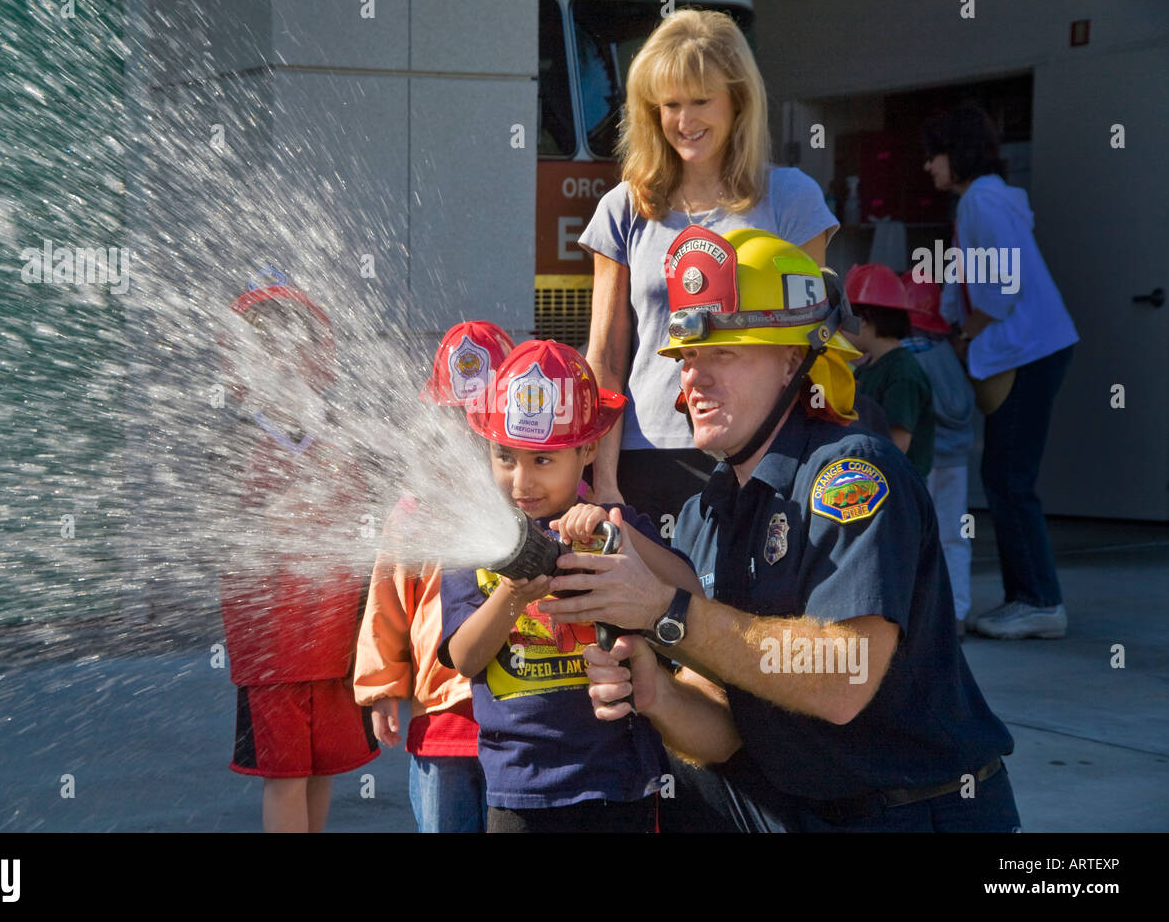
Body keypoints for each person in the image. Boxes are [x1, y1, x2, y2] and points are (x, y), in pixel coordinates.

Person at [542, 228, 1021, 832]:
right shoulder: (707, 512)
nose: (694, 379)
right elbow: (720, 730)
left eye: (725, 353)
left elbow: (843, 679)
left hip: (916, 814)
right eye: (689, 356)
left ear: (794, 359)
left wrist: (667, 610)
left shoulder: (850, 475)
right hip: (803, 810)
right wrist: (658, 695)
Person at [579, 8, 838, 529]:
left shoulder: (791, 200)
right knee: (644, 612)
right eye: (669, 104)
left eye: (701, 100)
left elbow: (809, 346)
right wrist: (604, 484)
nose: (684, 120)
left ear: (738, 101)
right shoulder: (622, 209)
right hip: (645, 452)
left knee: (745, 612)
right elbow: (605, 355)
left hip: (763, 453)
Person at [436, 340, 702, 832]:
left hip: (619, 779)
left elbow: (692, 594)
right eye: (505, 457)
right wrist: (513, 592)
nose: (521, 481)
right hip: (519, 785)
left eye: (543, 460)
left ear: (587, 450)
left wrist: (616, 533)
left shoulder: (615, 527)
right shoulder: (477, 544)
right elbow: (467, 660)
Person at [218, 273, 378, 832]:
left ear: (321, 357)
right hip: (274, 652)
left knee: (321, 769)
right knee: (285, 776)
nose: (284, 358)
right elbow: (228, 533)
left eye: (297, 342)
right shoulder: (232, 445)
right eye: (266, 343)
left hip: (335, 640)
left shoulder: (342, 440)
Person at [922, 105, 1079, 640]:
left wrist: (963, 336)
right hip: (1033, 350)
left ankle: (1038, 601)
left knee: (1009, 479)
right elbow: (967, 283)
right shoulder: (983, 200)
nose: (928, 166)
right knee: (1007, 478)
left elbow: (998, 290)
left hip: (1029, 352)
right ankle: (1030, 598)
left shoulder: (982, 203)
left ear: (956, 153)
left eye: (934, 154)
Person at [353, 320, 515, 833]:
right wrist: (380, 689)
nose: (468, 432)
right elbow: (387, 600)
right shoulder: (414, 512)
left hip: (519, 719)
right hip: (440, 718)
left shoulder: (533, 502)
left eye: (482, 419)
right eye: (455, 417)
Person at [901, 270, 976, 635]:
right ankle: (958, 614)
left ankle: (922, 618)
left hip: (926, 459)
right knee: (954, 536)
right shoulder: (948, 352)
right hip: (956, 459)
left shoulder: (908, 356)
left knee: (915, 536)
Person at [841, 263, 935, 477]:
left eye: (845, 318)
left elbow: (897, 446)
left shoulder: (902, 373)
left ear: (864, 321)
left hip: (896, 489)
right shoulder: (869, 368)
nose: (840, 329)